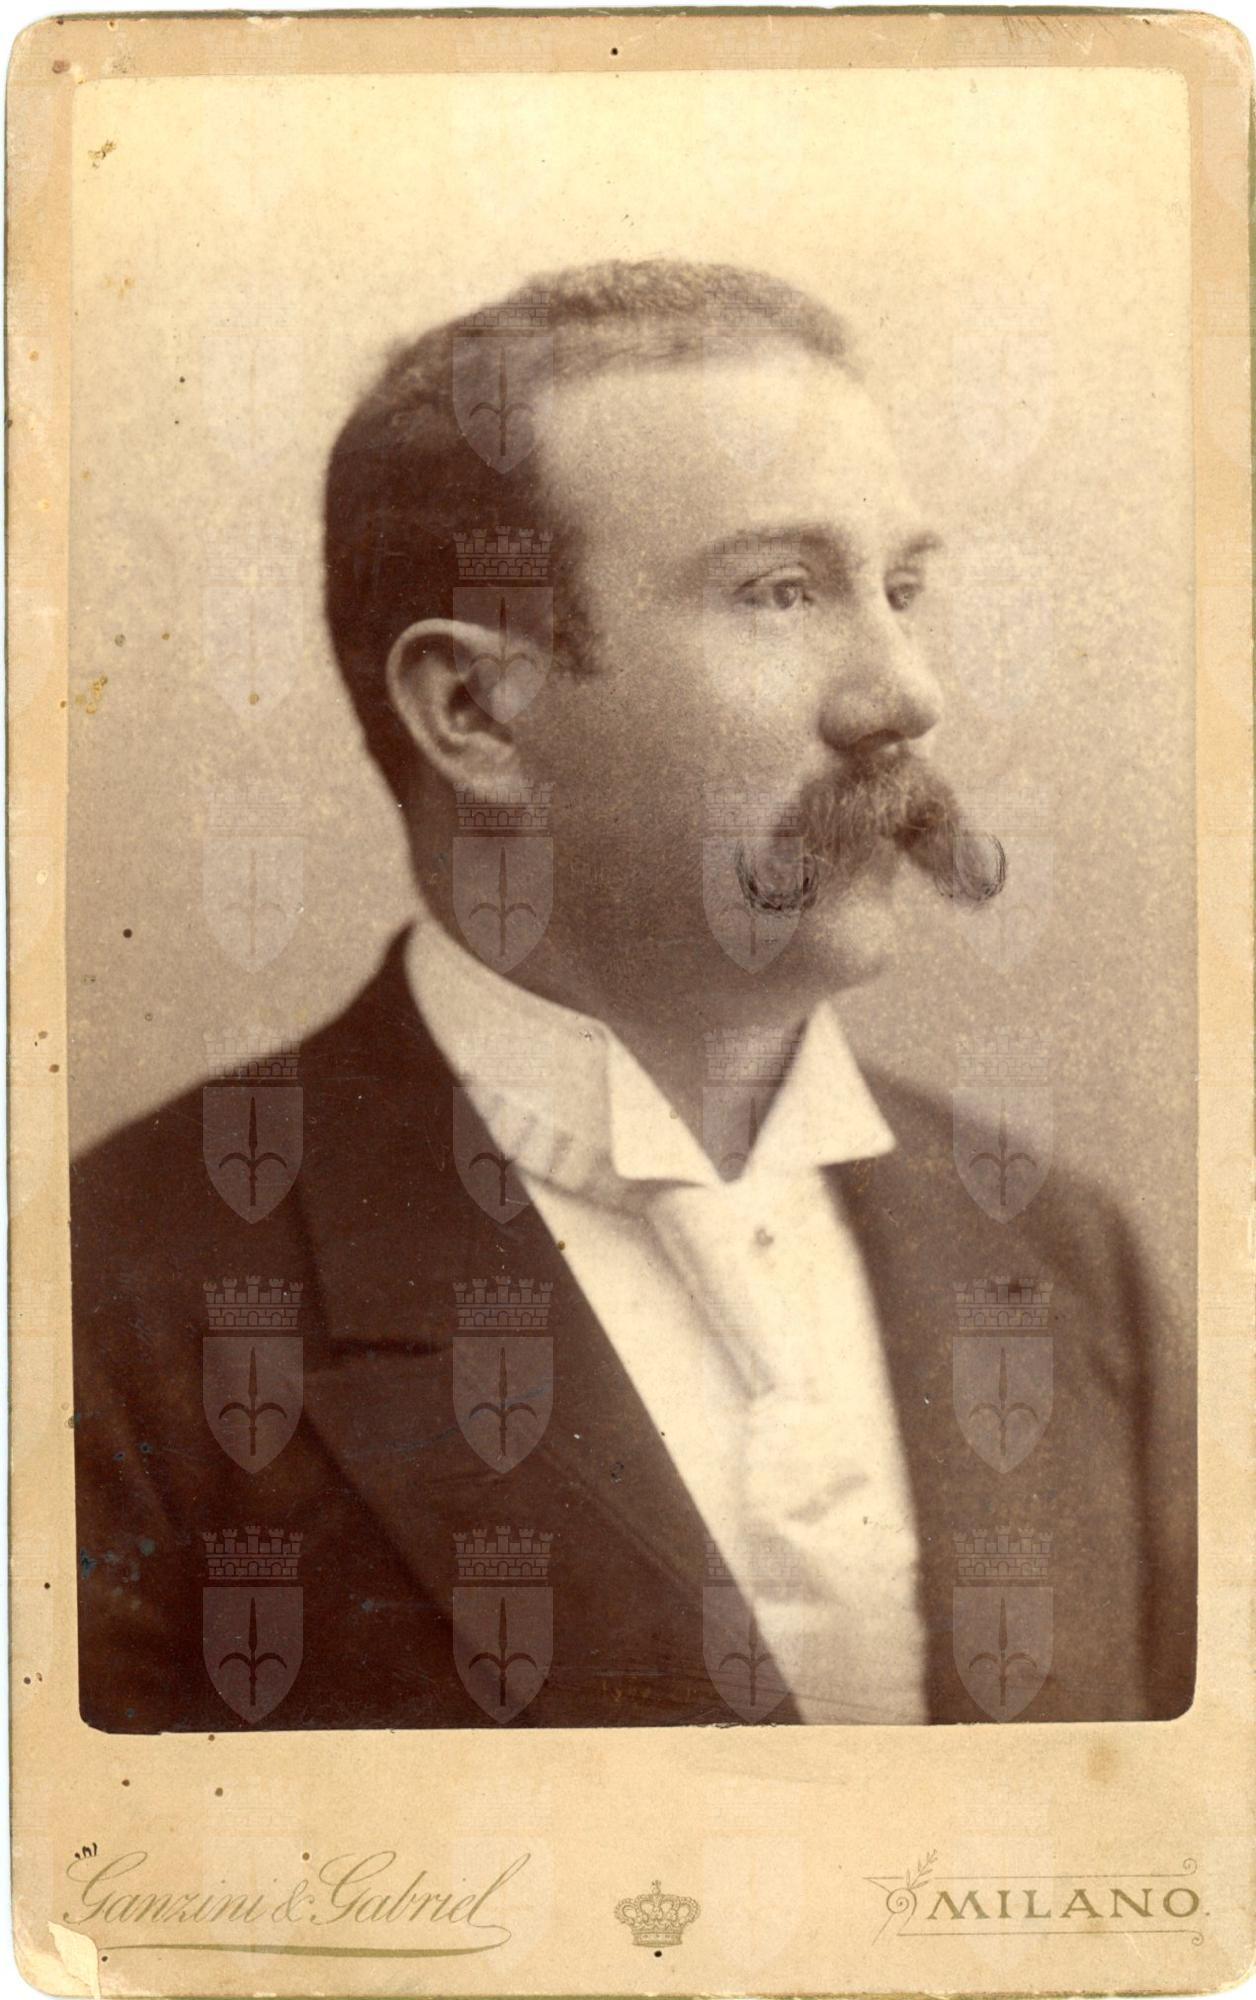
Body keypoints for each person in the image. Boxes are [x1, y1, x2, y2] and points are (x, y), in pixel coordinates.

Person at [72, 259, 1194, 1731]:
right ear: (474, 711)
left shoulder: (1063, 1261)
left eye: (901, 589)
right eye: (779, 592)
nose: (905, 692)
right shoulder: (112, 1302)